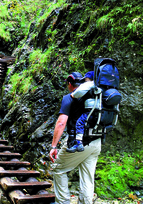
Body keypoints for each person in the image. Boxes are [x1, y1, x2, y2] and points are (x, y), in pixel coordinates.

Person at [49, 71, 101, 204]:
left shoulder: (69, 97)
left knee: (59, 169)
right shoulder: (93, 96)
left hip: (78, 142)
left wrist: (54, 146)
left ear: (70, 84)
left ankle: (63, 202)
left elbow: (61, 123)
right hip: (96, 141)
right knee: (87, 176)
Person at [66, 71, 97, 153]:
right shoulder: (101, 86)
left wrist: (73, 95)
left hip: (91, 110)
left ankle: (78, 142)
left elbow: (79, 92)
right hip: (100, 112)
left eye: (85, 79)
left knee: (80, 122)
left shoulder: (89, 84)